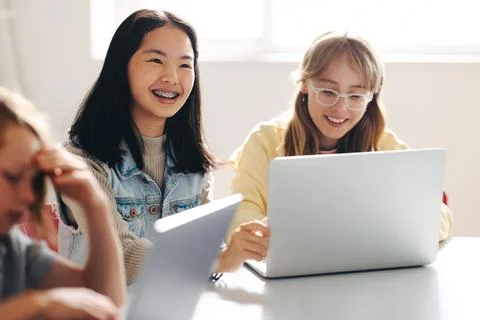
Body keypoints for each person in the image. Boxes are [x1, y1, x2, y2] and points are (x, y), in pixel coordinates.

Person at [220, 31, 454, 272]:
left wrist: (399, 229)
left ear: (371, 98)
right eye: (328, 92)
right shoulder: (265, 140)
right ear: (304, 85)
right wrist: (260, 236)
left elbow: (439, 213)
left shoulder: (383, 145)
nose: (340, 108)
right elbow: (242, 210)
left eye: (355, 96)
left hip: (365, 277)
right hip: (291, 276)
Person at [58, 9, 221, 284]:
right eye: (156, 60)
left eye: (185, 65)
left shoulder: (193, 159)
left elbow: (207, 244)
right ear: (121, 67)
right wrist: (212, 260)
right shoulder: (81, 159)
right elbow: (119, 254)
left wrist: (234, 248)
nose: (172, 77)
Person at [0, 87, 126, 319]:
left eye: (35, 181)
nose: (29, 195)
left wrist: (96, 204)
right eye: (14, 176)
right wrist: (38, 305)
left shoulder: (12, 248)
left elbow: (105, 301)